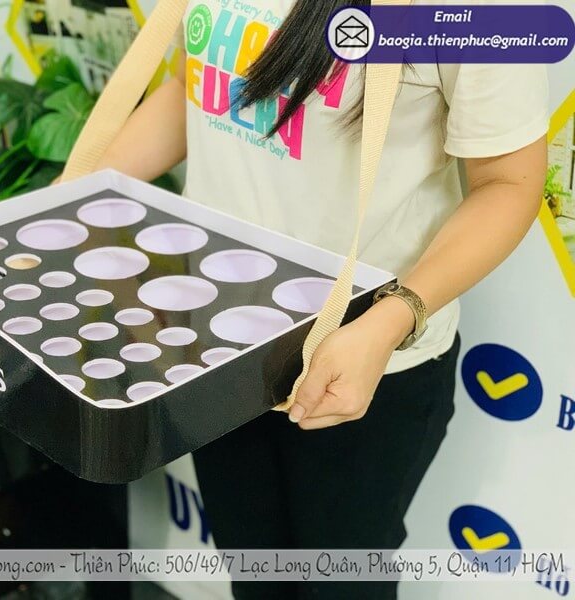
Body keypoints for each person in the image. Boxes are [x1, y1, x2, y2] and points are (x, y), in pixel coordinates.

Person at [81, 0, 548, 597]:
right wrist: (75, 195)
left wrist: (386, 323)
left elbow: (507, 184)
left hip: (362, 362)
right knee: (253, 572)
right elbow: (194, 92)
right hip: (216, 346)